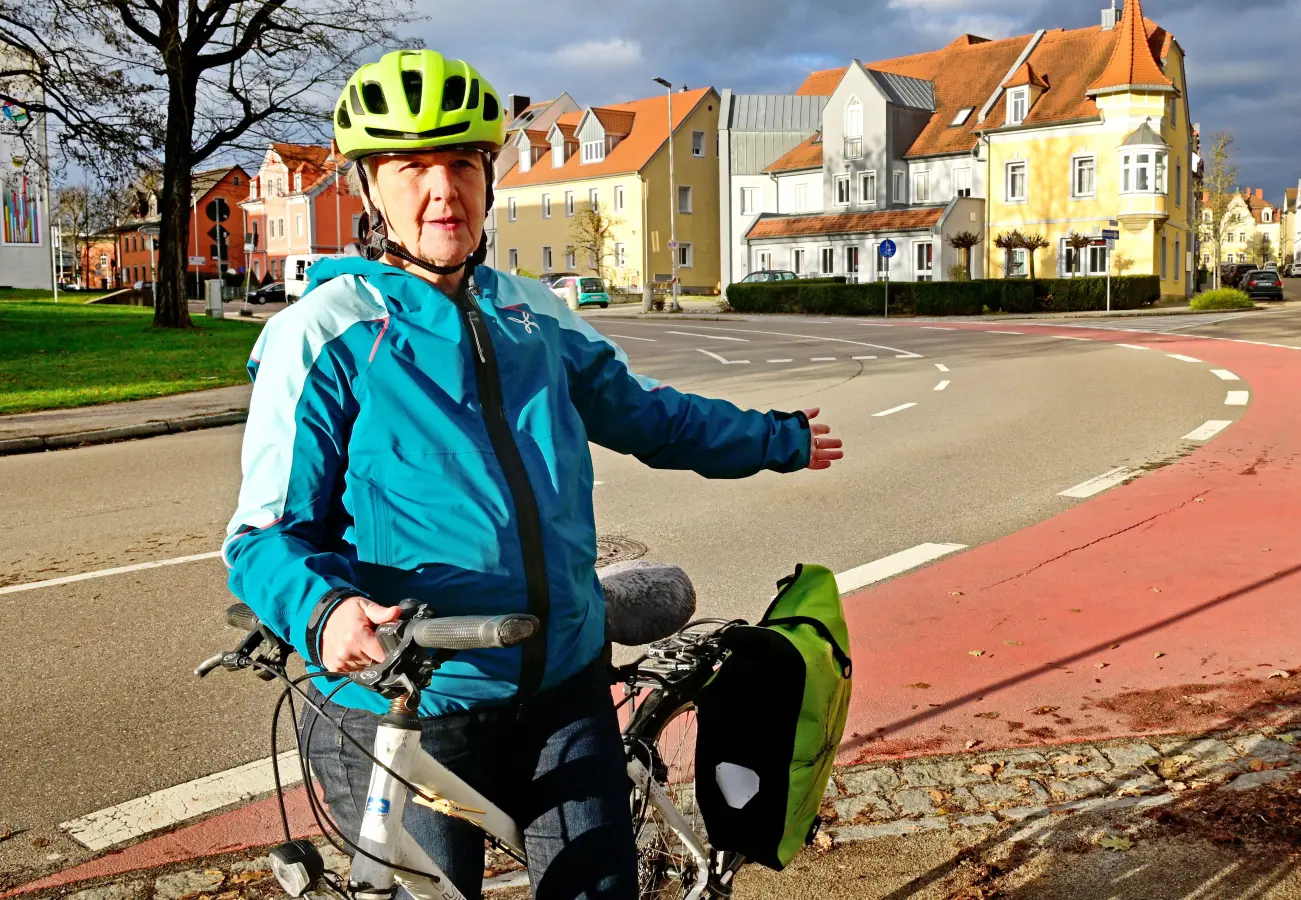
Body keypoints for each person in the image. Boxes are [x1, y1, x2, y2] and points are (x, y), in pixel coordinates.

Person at [222, 49, 843, 900]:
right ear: (371, 188)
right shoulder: (323, 333)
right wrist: (325, 610)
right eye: (411, 167)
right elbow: (264, 539)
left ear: (486, 174)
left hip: (563, 680)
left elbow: (648, 416)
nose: (442, 189)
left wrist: (773, 438)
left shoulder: (533, 314)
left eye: (462, 163)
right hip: (422, 698)